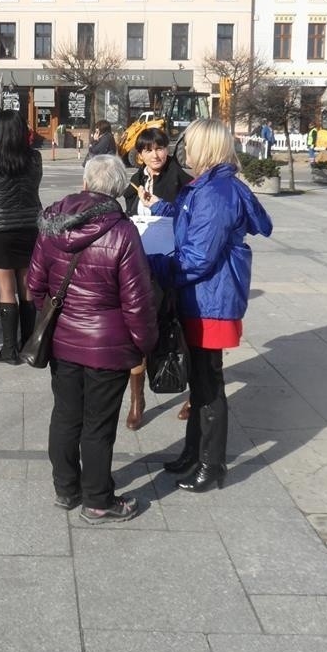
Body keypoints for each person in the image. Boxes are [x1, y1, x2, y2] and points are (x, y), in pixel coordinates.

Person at [28, 154, 158, 522]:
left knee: (66, 416)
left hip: (64, 342)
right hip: (109, 346)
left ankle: (66, 489)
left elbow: (35, 285)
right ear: (117, 190)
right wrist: (144, 343)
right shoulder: (123, 231)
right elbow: (138, 301)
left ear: (85, 184)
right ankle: (98, 499)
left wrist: (61, 318)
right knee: (98, 425)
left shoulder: (52, 224)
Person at [152, 118, 273, 492]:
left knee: (207, 383)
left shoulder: (217, 192)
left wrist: (152, 264)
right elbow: (192, 220)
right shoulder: (208, 186)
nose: (182, 150)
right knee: (201, 380)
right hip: (205, 294)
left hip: (210, 299)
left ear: (205, 147)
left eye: (188, 144)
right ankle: (194, 452)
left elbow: (199, 256)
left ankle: (212, 463)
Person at [123, 127, 192, 430]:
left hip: (173, 269)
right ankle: (137, 401)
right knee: (137, 333)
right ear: (139, 155)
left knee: (181, 332)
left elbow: (191, 221)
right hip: (140, 269)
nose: (155, 154)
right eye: (148, 149)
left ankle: (195, 395)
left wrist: (162, 207)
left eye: (160, 147)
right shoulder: (135, 181)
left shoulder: (183, 182)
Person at [0, 109, 42, 364]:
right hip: (28, 228)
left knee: (5, 289)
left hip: (0, 230)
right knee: (27, 287)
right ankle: (28, 344)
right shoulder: (34, 158)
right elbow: (35, 184)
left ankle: (9, 349)